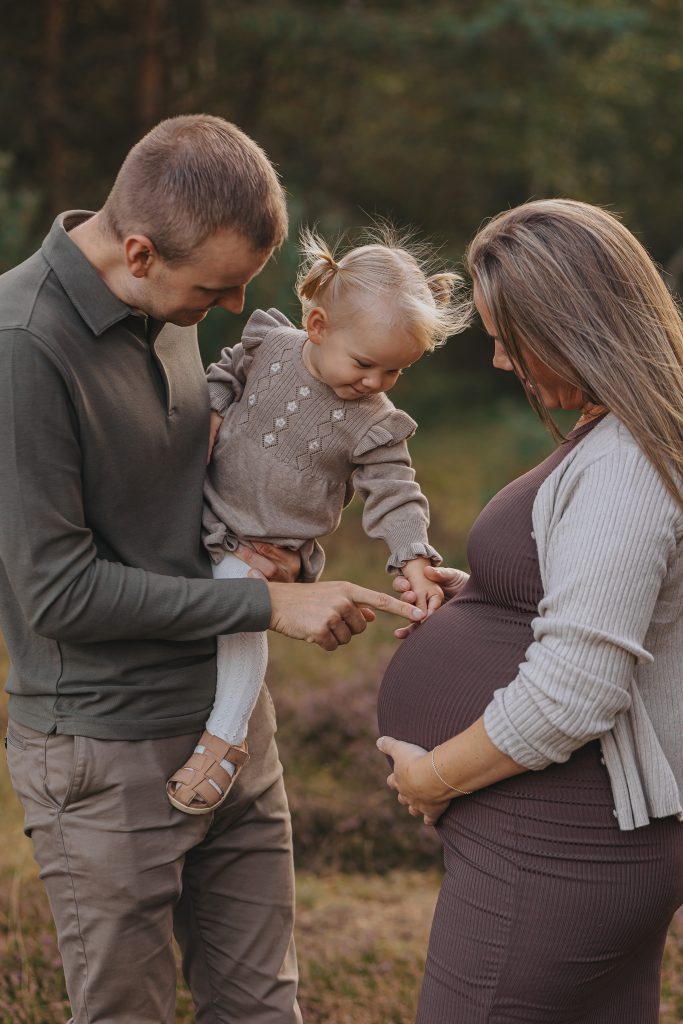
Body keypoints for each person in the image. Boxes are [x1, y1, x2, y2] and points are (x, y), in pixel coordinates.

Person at [0, 114, 424, 1024]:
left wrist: (277, 546)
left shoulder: (174, 304)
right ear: (141, 253)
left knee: (265, 1009)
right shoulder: (22, 347)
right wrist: (271, 611)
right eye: (218, 289)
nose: (233, 311)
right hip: (106, 753)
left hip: (235, 732)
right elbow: (56, 593)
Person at [375, 199, 683, 1023]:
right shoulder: (624, 435)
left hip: (558, 848)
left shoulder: (625, 463)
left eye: (509, 339)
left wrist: (430, 776)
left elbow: (576, 689)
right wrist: (478, 595)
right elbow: (606, 592)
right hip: (574, 842)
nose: (502, 362)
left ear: (572, 328)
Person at [166, 227, 469, 813]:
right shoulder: (268, 343)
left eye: (394, 373)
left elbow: (396, 491)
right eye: (365, 364)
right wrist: (216, 408)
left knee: (241, 604)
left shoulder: (374, 422)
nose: (376, 384)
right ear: (318, 327)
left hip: (263, 546)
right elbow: (225, 371)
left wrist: (412, 556)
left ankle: (227, 739)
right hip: (201, 512)